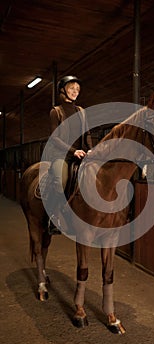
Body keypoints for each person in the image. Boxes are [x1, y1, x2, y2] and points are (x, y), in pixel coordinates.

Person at [47, 75, 92, 234]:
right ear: (63, 90)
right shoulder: (56, 112)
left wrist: (91, 149)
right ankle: (54, 217)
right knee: (60, 180)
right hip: (62, 155)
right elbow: (54, 138)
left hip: (82, 154)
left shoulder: (81, 111)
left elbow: (87, 134)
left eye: (77, 89)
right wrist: (74, 151)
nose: (75, 92)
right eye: (72, 88)